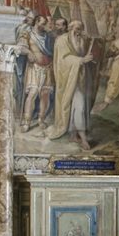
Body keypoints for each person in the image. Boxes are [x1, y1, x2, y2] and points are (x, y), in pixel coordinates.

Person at [48, 18, 103, 149]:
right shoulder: (62, 40)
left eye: (81, 29)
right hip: (68, 79)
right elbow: (63, 59)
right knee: (80, 106)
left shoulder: (82, 40)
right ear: (70, 28)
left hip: (81, 78)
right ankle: (83, 138)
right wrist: (81, 60)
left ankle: (74, 134)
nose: (79, 32)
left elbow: (88, 51)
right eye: (77, 29)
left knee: (77, 107)